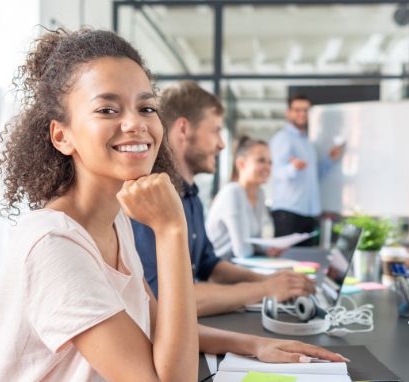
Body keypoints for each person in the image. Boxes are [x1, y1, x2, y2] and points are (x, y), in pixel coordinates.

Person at [0, 29, 345, 382]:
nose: (136, 124)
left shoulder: (115, 220)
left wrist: (256, 345)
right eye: (107, 110)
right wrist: (171, 231)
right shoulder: (54, 245)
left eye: (147, 108)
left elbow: (159, 324)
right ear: (62, 136)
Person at [131, 81, 315, 317]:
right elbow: (164, 299)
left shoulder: (191, 196)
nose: (222, 144)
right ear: (184, 129)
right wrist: (263, 288)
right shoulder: (150, 200)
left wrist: (271, 281)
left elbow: (209, 265)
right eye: (216, 130)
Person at [269, 94, 343, 242]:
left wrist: (330, 159)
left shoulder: (307, 143)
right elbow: (275, 172)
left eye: (305, 110)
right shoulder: (282, 138)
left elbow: (314, 175)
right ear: (288, 112)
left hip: (308, 212)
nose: (302, 114)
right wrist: (293, 167)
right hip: (288, 212)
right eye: (297, 110)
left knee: (305, 262)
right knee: (287, 260)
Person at [207, 135, 280, 259]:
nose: (267, 167)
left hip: (241, 264)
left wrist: (269, 250)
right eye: (261, 160)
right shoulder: (233, 192)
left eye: (270, 162)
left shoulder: (260, 194)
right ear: (241, 164)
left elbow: (255, 242)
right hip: (220, 270)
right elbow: (242, 251)